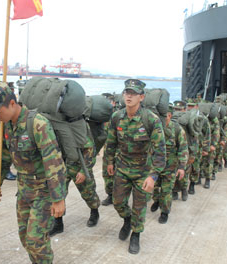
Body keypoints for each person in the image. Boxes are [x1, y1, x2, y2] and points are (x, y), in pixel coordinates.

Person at [0, 82, 67, 264]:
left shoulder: (38, 124)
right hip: (24, 188)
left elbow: (54, 163)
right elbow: (0, 155)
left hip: (43, 189)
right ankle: (37, 262)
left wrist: (58, 198)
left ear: (12, 104)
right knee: (24, 235)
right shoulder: (5, 126)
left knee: (36, 237)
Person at [105, 79, 166, 254]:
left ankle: (135, 235)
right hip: (122, 168)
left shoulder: (150, 120)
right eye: (126, 93)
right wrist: (109, 161)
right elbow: (111, 142)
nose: (129, 96)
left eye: (133, 93)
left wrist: (153, 176)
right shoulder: (117, 117)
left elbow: (160, 151)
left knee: (140, 206)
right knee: (117, 202)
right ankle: (127, 219)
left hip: (143, 171)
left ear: (141, 97)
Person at [49, 125, 100, 236]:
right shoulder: (52, 122)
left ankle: (94, 212)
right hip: (60, 165)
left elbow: (90, 150)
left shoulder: (77, 123)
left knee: (88, 192)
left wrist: (83, 170)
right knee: (58, 194)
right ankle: (58, 223)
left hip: (79, 164)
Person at [151, 104, 188, 223]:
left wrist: (182, 167)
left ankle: (164, 212)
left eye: (164, 116)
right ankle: (156, 201)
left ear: (170, 115)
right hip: (155, 166)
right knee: (155, 188)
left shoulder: (177, 130)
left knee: (166, 191)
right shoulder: (155, 128)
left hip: (170, 167)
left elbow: (183, 149)